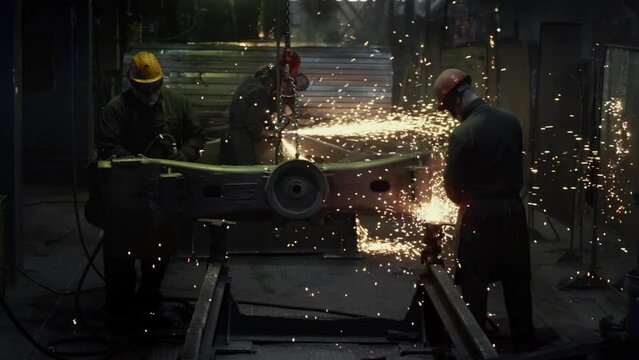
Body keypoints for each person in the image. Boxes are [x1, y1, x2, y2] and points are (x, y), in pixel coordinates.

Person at [97, 51, 205, 324]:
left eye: (154, 87)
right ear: (132, 84)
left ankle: (148, 296)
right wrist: (135, 164)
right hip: (127, 191)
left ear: (161, 81)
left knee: (159, 245)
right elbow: (108, 145)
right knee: (121, 249)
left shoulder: (177, 104)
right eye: (143, 88)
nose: (149, 93)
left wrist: (185, 156)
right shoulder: (116, 109)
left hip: (165, 190)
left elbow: (197, 135)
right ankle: (119, 304)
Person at [435, 68, 536, 351]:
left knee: (473, 284)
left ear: (455, 99)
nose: (450, 114)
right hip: (513, 212)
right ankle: (524, 340)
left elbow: (453, 190)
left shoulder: (463, 133)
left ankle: (477, 344)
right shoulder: (511, 122)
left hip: (478, 215)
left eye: (447, 108)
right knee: (517, 279)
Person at [221, 49, 303, 165]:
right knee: (246, 178)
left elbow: (259, 114)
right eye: (297, 70)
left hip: (231, 139)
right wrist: (267, 135)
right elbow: (254, 125)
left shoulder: (250, 84)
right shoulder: (261, 92)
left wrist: (270, 126)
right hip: (240, 143)